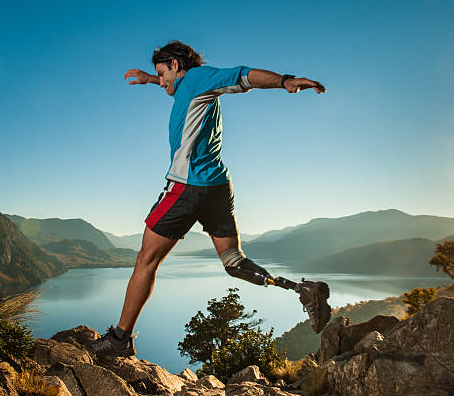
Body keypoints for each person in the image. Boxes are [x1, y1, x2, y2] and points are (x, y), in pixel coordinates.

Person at [90, 41, 330, 357]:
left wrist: (284, 81)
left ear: (175, 65)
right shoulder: (191, 87)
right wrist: (150, 79)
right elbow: (177, 88)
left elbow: (243, 75)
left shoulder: (200, 78)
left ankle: (119, 340)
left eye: (162, 73)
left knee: (146, 260)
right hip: (218, 186)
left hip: (187, 187)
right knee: (234, 262)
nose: (161, 81)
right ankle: (303, 290)